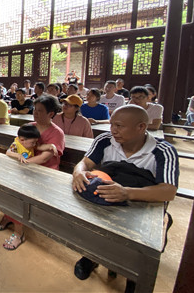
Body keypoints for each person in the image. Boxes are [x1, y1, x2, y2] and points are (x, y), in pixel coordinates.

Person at [71, 105, 179, 280]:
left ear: (141, 127)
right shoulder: (105, 140)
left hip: (141, 205)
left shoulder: (163, 151)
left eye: (119, 126)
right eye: (112, 124)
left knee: (136, 250)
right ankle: (91, 257)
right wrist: (78, 172)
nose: (113, 130)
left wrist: (127, 193)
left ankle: (132, 277)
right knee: (96, 226)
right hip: (107, 199)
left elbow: (168, 191)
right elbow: (84, 163)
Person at [0, 124, 58, 250]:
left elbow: (40, 146)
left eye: (36, 141)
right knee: (12, 201)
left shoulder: (29, 142)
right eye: (33, 142)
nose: (35, 145)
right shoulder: (16, 144)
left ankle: (19, 232)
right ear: (22, 140)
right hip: (15, 177)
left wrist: (50, 146)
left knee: (19, 204)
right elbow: (8, 152)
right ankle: (9, 218)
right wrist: (18, 156)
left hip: (25, 177)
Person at [28, 95, 65, 170]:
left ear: (51, 114)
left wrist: (22, 162)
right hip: (27, 165)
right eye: (35, 109)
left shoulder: (57, 133)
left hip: (46, 170)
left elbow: (43, 158)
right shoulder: (29, 126)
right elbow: (17, 145)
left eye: (40, 110)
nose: (35, 113)